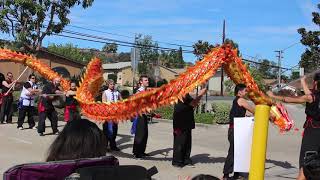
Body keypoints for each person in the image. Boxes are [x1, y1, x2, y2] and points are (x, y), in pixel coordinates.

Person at [267, 73, 320, 180]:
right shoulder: (312, 96)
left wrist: (272, 96)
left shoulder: (311, 97)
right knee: (316, 163)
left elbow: (288, 99)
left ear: (315, 83)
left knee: (306, 163)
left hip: (312, 133)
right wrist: (303, 81)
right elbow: (308, 94)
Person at [222, 84, 255, 180]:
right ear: (239, 92)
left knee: (239, 152)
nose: (246, 92)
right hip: (235, 129)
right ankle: (226, 175)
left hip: (236, 128)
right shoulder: (241, 100)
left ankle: (237, 174)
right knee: (233, 152)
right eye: (245, 90)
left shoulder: (237, 100)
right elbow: (253, 110)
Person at [172, 85, 207, 168]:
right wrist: (201, 94)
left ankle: (185, 159)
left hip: (186, 121)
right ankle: (178, 161)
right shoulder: (182, 94)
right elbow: (193, 103)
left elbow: (192, 103)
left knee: (187, 141)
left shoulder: (185, 94)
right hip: (180, 122)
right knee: (180, 141)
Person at [102, 79, 122, 151]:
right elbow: (104, 103)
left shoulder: (117, 93)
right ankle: (105, 146)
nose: (112, 85)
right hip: (108, 114)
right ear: (108, 85)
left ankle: (113, 145)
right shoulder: (105, 92)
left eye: (113, 84)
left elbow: (122, 101)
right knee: (107, 130)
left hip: (115, 115)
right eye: (111, 84)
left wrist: (120, 105)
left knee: (114, 130)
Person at [132, 75, 150, 158]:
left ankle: (142, 151)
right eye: (145, 80)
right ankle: (137, 152)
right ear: (141, 82)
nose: (147, 81)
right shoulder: (139, 92)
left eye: (147, 80)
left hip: (145, 115)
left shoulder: (146, 91)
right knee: (140, 134)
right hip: (140, 115)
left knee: (145, 134)